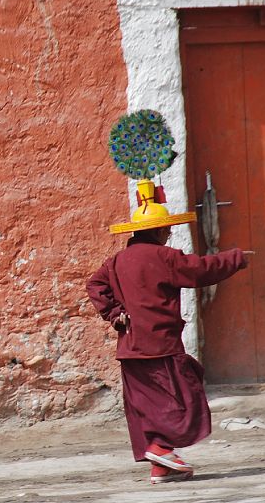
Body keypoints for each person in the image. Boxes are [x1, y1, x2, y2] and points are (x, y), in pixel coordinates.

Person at [87, 180, 248, 484]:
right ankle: (161, 448)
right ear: (160, 231)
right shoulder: (166, 258)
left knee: (147, 406)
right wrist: (235, 258)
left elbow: (94, 285)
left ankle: (161, 465)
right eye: (167, 230)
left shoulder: (116, 261)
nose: (169, 234)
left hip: (130, 348)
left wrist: (114, 314)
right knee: (182, 399)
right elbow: (201, 269)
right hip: (161, 346)